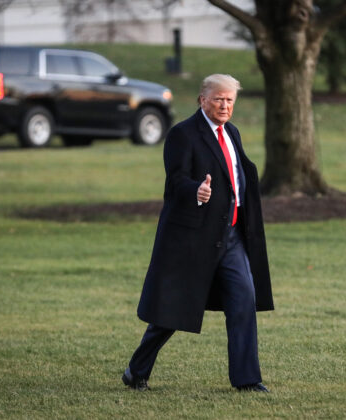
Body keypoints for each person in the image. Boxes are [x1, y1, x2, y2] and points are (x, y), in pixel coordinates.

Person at [122, 74, 274, 392]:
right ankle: (136, 371)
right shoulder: (183, 134)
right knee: (173, 311)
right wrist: (197, 191)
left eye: (230, 99)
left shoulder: (232, 132)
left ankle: (247, 380)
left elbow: (237, 176)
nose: (224, 105)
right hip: (192, 239)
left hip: (230, 236)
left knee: (243, 301)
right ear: (202, 99)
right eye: (218, 98)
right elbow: (176, 180)